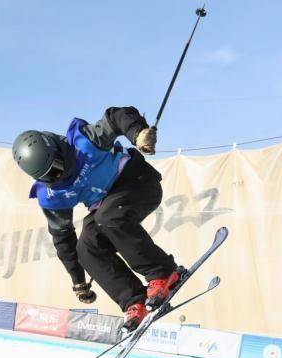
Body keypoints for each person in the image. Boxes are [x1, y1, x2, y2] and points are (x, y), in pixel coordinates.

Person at [12, 107, 179, 332]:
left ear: (59, 149)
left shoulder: (85, 142)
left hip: (137, 183)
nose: (59, 175)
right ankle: (132, 299)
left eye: (58, 166)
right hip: (106, 207)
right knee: (86, 248)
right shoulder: (52, 194)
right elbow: (62, 238)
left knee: (107, 217)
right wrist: (78, 280)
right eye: (50, 176)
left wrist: (137, 133)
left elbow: (116, 116)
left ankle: (162, 271)